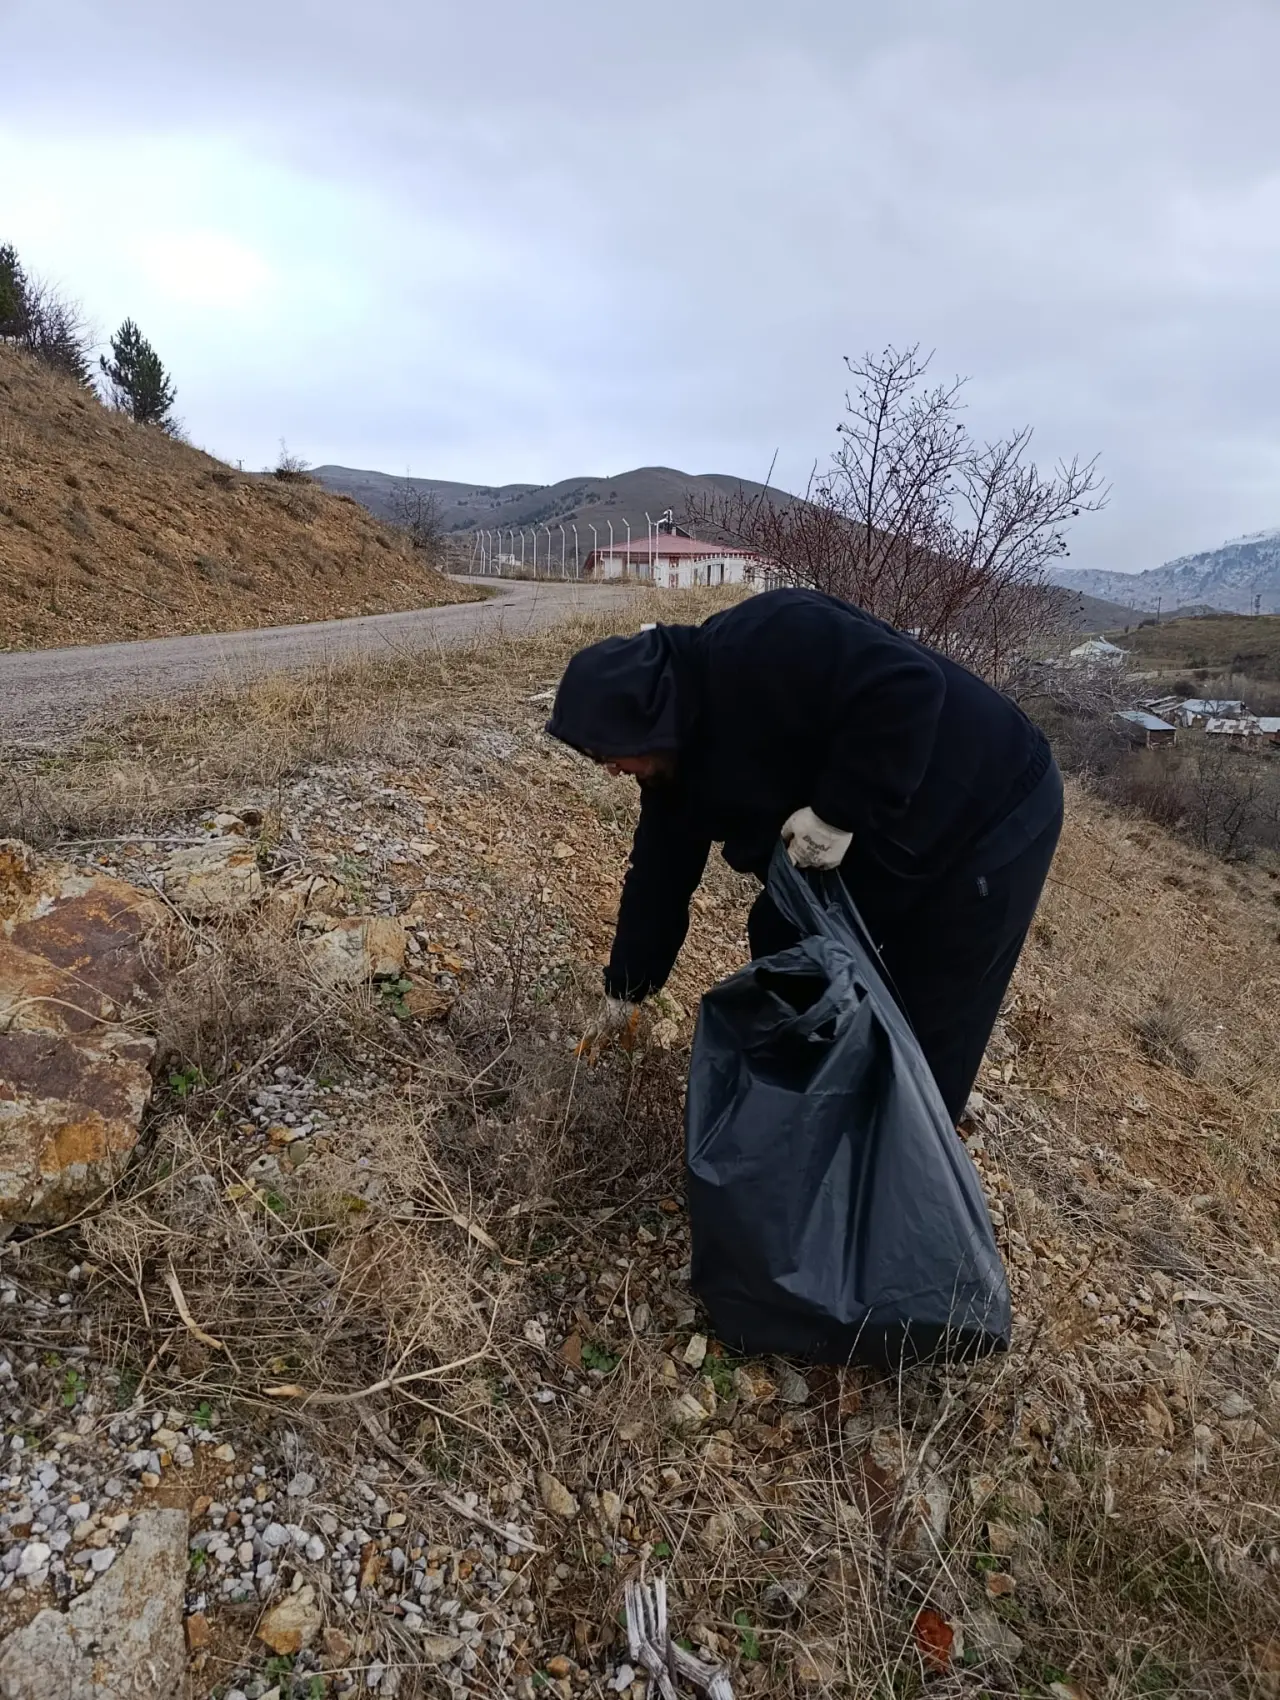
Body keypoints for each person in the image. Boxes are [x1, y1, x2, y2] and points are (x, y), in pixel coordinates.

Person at [546, 587, 1062, 1125]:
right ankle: (800, 1139)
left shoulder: (768, 638)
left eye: (606, 753)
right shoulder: (673, 763)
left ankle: (906, 1172)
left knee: (925, 1026)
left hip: (993, 807)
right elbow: (659, 876)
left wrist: (838, 812)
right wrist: (627, 990)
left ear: (645, 714)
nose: (608, 768)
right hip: (895, 827)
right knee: (783, 942)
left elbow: (909, 684)